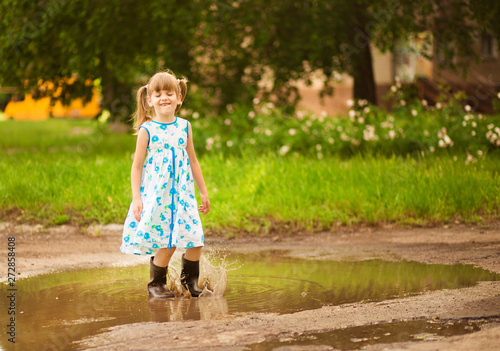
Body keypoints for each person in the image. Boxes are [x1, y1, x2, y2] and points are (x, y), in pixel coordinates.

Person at [121, 70, 210, 298]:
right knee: (167, 241)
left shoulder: (184, 127)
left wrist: (203, 192)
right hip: (159, 196)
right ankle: (156, 285)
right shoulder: (147, 130)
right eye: (158, 94)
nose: (164, 98)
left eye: (169, 93)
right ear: (149, 99)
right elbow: (137, 166)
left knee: (195, 239)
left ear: (179, 97)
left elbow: (193, 160)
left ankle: (189, 281)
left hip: (183, 195)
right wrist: (137, 197)